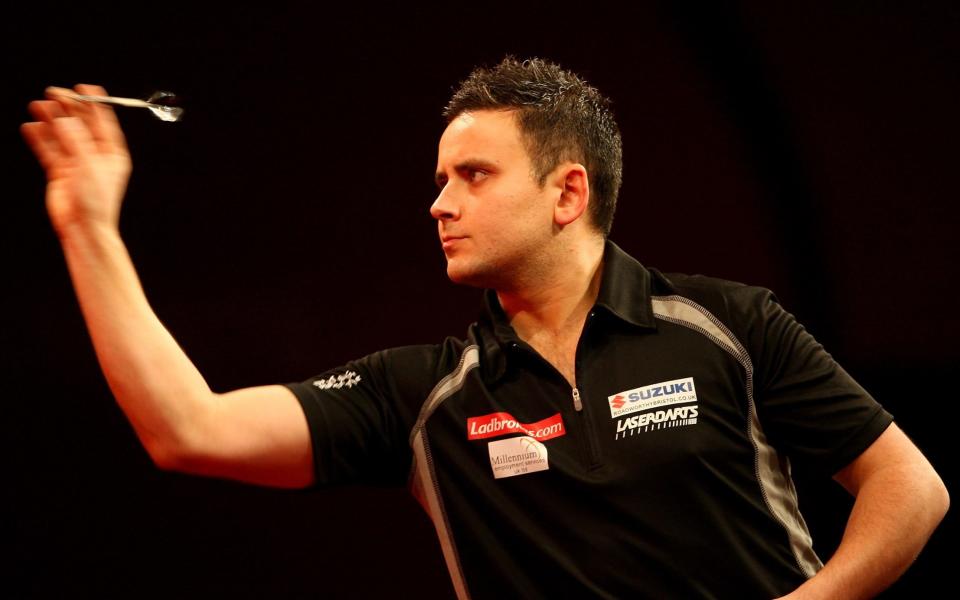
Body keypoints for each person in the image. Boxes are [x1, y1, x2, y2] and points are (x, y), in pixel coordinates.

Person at [22, 57, 948, 599]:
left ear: (567, 193)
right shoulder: (424, 396)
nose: (438, 203)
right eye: (438, 179)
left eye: (473, 176)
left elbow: (909, 487)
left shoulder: (727, 325)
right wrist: (88, 227)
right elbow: (186, 428)